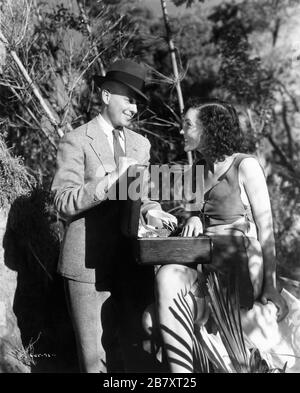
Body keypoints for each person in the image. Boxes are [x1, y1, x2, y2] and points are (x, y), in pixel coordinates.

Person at [153, 98, 289, 373]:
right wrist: (193, 217)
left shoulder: (245, 166)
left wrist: (271, 286)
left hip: (240, 261)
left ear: (209, 129)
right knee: (165, 277)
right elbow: (192, 212)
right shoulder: (196, 171)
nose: (181, 131)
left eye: (188, 125)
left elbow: (266, 230)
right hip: (206, 260)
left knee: (237, 343)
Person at [51, 58, 163, 373]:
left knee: (136, 355)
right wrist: (109, 181)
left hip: (132, 265)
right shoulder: (75, 140)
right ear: (105, 96)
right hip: (86, 270)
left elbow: (145, 197)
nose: (134, 108)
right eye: (129, 98)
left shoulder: (142, 145)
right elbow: (63, 201)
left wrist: (154, 213)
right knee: (95, 362)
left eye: (138, 103)